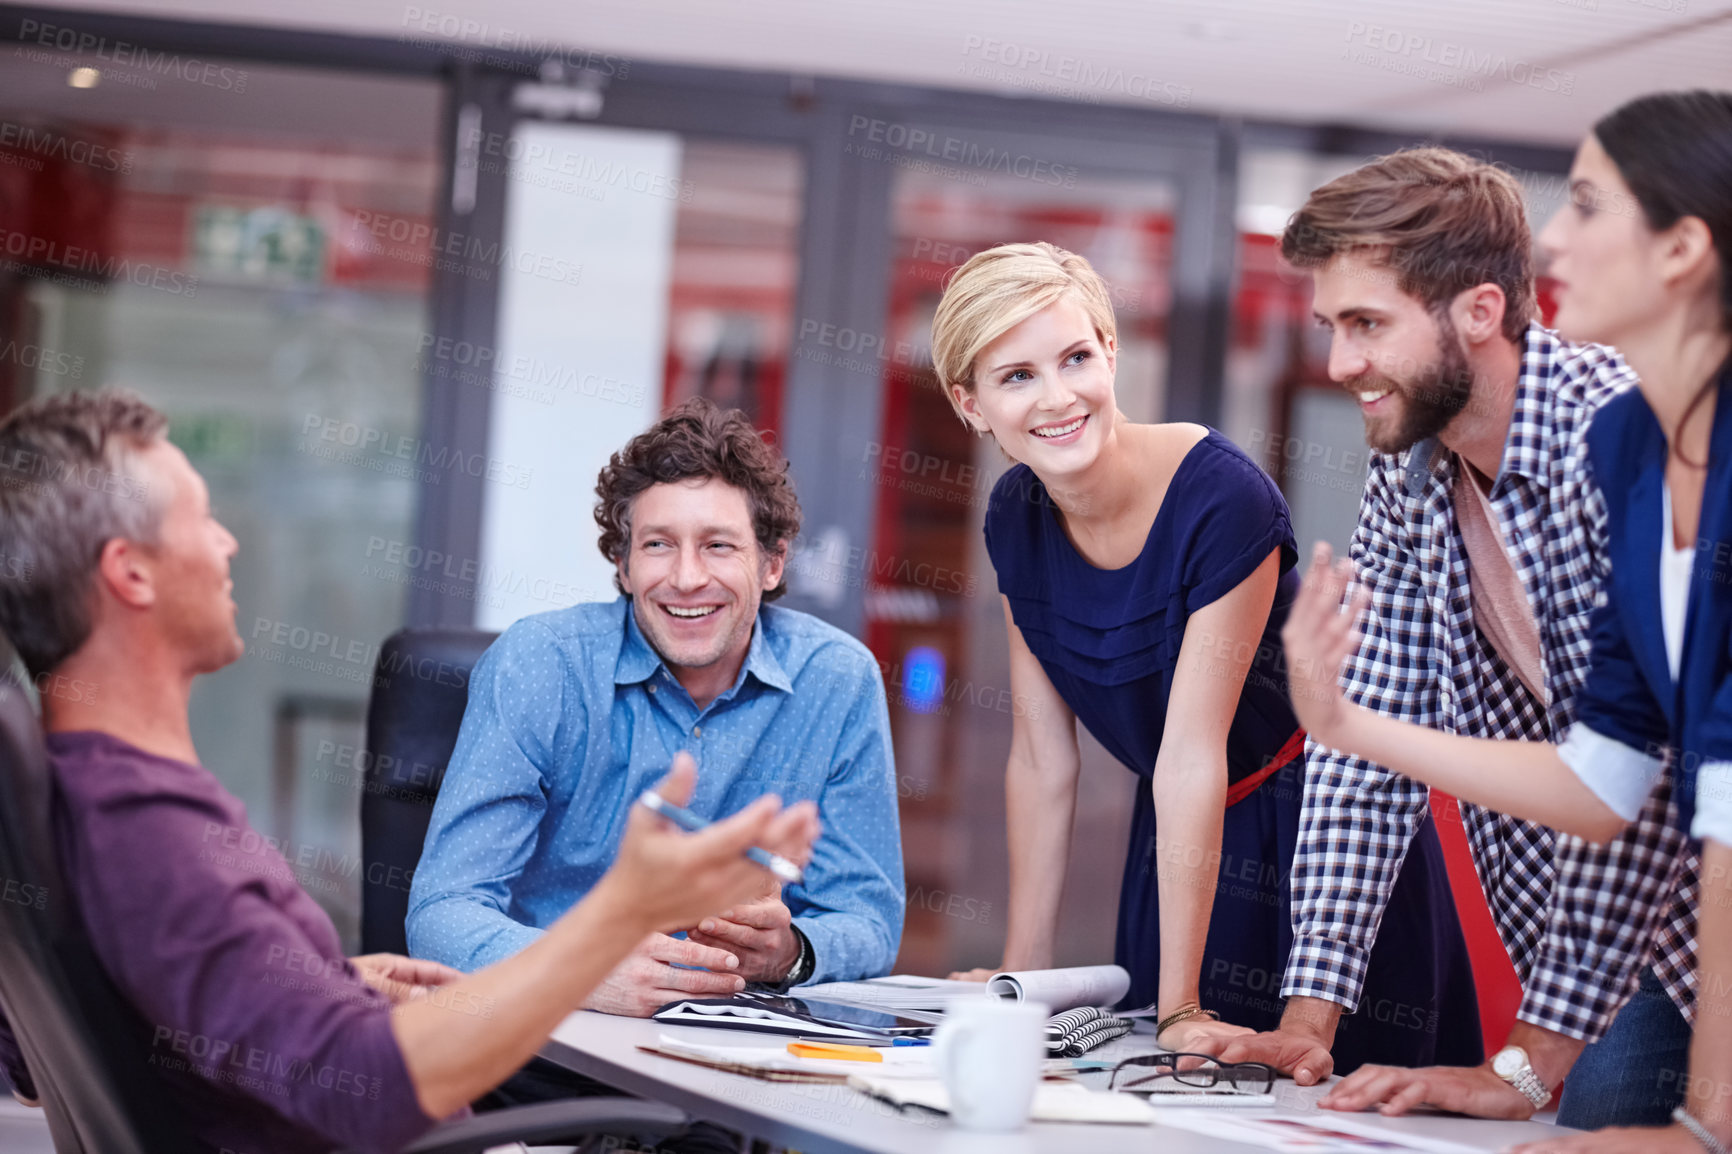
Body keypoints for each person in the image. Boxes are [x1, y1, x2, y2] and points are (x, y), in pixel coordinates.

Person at [0, 389, 818, 1154]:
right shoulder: (156, 840)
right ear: (130, 573)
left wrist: (318, 988)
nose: (228, 541)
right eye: (201, 519)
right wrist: (617, 915)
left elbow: (46, 1053)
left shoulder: (91, 798)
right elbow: (377, 1092)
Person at [1201, 145, 1703, 1132]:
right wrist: (1312, 1016)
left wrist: (1522, 1063)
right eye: (1331, 326)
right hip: (1625, 949)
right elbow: (1364, 743)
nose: (1341, 362)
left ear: (1479, 311)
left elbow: (1631, 787)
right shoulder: (1412, 470)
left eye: (1368, 324)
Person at [933, 241, 1479, 1070]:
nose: (1058, 397)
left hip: (1316, 837)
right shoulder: (1015, 512)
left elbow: (1194, 750)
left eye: (1076, 357)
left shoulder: (1219, 494)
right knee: (1161, 1097)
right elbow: (1042, 760)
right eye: (1017, 377)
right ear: (970, 405)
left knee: (1303, 1110)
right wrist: (1024, 977)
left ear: (1111, 352)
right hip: (1180, 833)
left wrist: (1182, 1003)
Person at [407, 398, 904, 1015]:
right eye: (659, 545)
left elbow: (866, 917)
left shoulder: (838, 679)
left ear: (772, 563)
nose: (687, 578)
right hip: (548, 1037)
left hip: (734, 1048)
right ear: (623, 564)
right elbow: (442, 913)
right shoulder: (540, 664)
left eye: (719, 546)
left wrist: (792, 951)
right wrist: (580, 973)